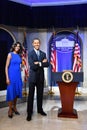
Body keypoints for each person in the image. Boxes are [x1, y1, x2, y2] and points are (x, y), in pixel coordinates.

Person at [26, 38, 49, 121]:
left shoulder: (43, 53)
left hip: (40, 78)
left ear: (40, 44)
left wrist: (38, 63)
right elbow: (32, 66)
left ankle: (40, 110)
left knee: (40, 95)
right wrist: (42, 63)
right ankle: (29, 113)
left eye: (38, 43)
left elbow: (47, 64)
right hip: (32, 78)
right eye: (35, 43)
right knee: (31, 96)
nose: (37, 44)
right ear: (33, 44)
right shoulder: (30, 54)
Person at [5, 42, 23, 118]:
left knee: (16, 92)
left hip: (18, 76)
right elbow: (6, 67)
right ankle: (10, 109)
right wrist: (7, 78)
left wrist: (21, 68)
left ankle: (14, 107)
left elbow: (19, 65)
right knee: (11, 92)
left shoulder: (19, 55)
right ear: (14, 46)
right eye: (16, 46)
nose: (17, 47)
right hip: (11, 76)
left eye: (19, 46)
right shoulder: (10, 54)